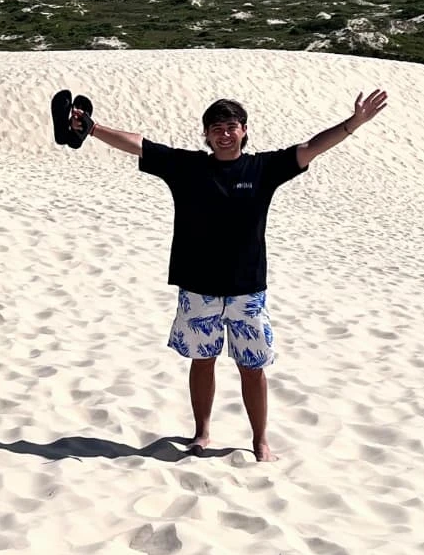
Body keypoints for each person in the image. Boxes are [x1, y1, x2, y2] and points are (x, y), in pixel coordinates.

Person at [75, 88, 387, 461]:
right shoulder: (188, 166)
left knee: (252, 367)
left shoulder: (262, 169)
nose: (224, 134)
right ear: (206, 134)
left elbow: (311, 148)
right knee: (202, 361)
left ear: (244, 130)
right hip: (198, 287)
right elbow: (140, 145)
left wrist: (354, 123)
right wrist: (92, 128)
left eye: (231, 127)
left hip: (247, 291)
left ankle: (260, 441)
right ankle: (202, 432)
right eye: (216, 128)